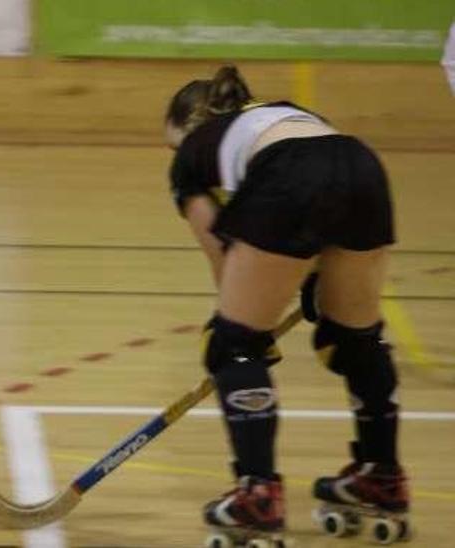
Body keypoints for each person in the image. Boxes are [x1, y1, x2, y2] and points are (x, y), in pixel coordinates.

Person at [163, 65, 409, 541]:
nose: (175, 157)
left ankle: (257, 496)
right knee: (355, 341)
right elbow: (319, 194)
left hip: (291, 176)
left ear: (188, 131)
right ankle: (381, 476)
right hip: (361, 165)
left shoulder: (192, 155)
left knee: (231, 344)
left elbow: (224, 260)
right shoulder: (280, 114)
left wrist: (250, 340)